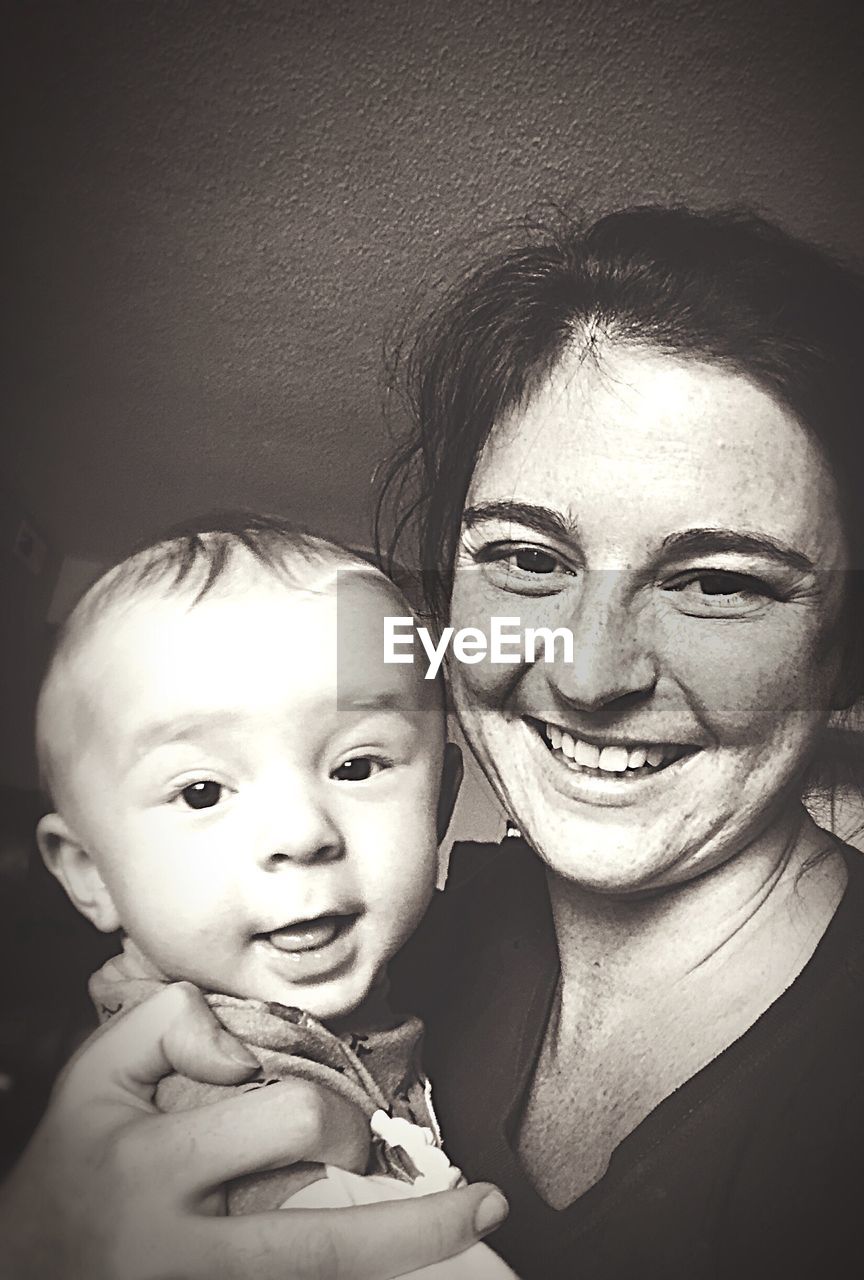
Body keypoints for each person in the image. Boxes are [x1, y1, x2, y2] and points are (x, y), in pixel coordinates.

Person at [2, 205, 864, 1278]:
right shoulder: (402, 941)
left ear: (859, 639)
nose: (587, 674)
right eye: (528, 559)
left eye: (717, 583)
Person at [27, 514, 513, 1276]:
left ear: (442, 806)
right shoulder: (211, 1074)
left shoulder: (425, 986)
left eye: (356, 767)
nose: (301, 831)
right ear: (89, 871)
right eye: (200, 791)